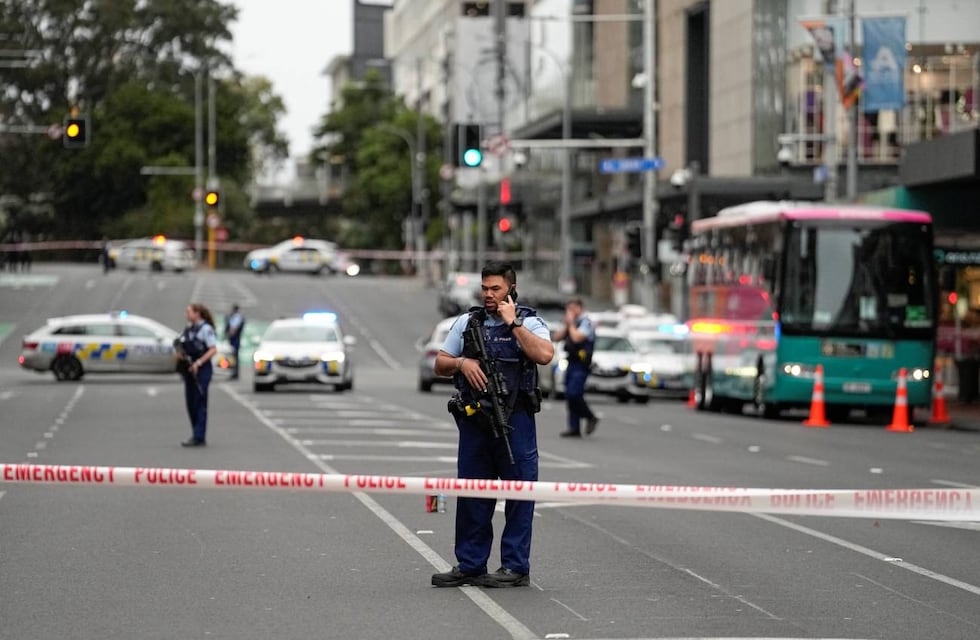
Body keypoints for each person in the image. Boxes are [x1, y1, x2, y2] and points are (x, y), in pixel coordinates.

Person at [430, 261, 554, 588]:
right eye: (485, 288)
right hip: (475, 421)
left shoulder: (530, 322)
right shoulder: (468, 322)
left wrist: (513, 325)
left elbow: (544, 355)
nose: (488, 294)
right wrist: (462, 362)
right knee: (471, 495)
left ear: (511, 289)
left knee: (519, 496)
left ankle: (515, 567)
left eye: (495, 288)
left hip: (516, 421)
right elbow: (440, 363)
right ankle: (470, 564)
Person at [550, 297, 598, 438]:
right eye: (568, 309)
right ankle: (574, 427)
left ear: (580, 308)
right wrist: (567, 325)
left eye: (572, 309)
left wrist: (570, 324)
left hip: (581, 364)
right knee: (569, 396)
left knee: (574, 393)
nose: (570, 312)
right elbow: (556, 337)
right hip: (570, 362)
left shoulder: (586, 322)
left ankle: (590, 416)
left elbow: (577, 337)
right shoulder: (572, 323)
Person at [176, 303, 218, 447]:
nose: (186, 315)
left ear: (197, 313)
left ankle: (199, 436)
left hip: (202, 368)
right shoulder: (188, 329)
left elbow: (213, 349)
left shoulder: (205, 329)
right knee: (190, 402)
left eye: (189, 312)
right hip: (189, 367)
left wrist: (199, 363)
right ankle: (195, 432)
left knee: (200, 401)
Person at [224, 304, 245, 380]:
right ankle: (234, 372)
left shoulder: (237, 317)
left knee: (234, 356)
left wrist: (229, 333)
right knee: (233, 356)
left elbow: (233, 328)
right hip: (234, 339)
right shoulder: (235, 316)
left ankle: (235, 373)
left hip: (235, 339)